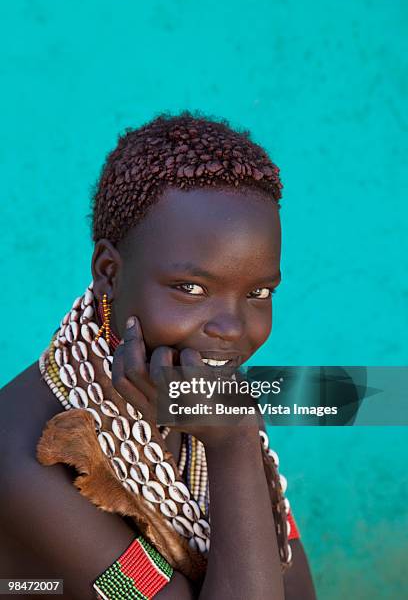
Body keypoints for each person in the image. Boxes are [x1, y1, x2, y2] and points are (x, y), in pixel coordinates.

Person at [0, 113, 316, 599]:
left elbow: (293, 590)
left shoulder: (208, 401)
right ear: (108, 272)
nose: (231, 329)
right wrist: (232, 450)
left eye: (258, 293)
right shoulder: (26, 463)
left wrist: (232, 438)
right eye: (190, 288)